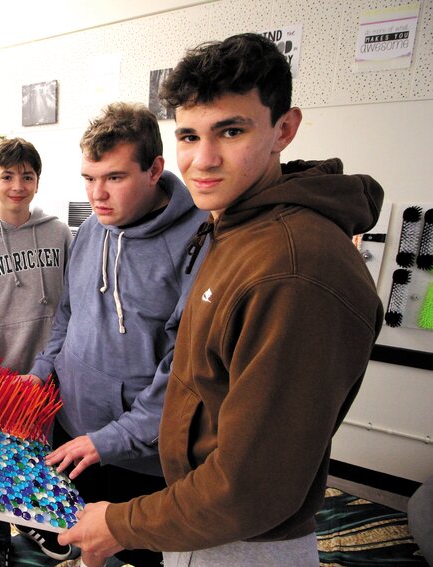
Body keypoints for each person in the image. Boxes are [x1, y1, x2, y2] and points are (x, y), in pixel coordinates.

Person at [58, 33, 385, 567]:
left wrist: (121, 522)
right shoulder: (236, 226)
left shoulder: (293, 269)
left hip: (240, 538)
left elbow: (252, 485)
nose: (203, 160)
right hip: (194, 513)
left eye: (231, 131)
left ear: (284, 129)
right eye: (190, 135)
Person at [25, 101, 206, 567]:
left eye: (114, 178)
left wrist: (111, 440)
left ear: (154, 170)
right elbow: (67, 313)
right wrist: (44, 371)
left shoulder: (198, 242)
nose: (97, 194)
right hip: (72, 435)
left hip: (139, 458)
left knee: (138, 557)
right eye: (89, 178)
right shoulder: (89, 229)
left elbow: (184, 372)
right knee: (78, 542)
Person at [0, 137, 73, 566]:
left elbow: (72, 302)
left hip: (53, 376)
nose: (17, 185)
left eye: (27, 176)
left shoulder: (59, 233)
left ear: (38, 182)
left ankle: (43, 524)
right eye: (7, 176)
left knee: (48, 461)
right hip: (1, 378)